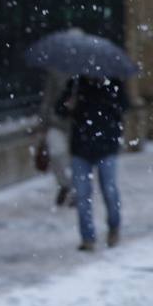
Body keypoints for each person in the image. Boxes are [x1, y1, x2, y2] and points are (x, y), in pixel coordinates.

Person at [57, 75, 128, 251]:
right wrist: (68, 106)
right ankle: (87, 237)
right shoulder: (75, 85)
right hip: (81, 148)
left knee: (110, 191)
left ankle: (114, 226)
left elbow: (124, 107)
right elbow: (60, 109)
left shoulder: (113, 83)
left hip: (106, 146)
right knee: (82, 195)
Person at [36, 69, 76, 206]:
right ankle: (66, 184)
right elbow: (48, 98)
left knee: (74, 160)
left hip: (77, 125)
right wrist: (44, 122)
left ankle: (75, 190)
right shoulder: (55, 71)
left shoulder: (86, 71)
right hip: (57, 122)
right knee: (56, 154)